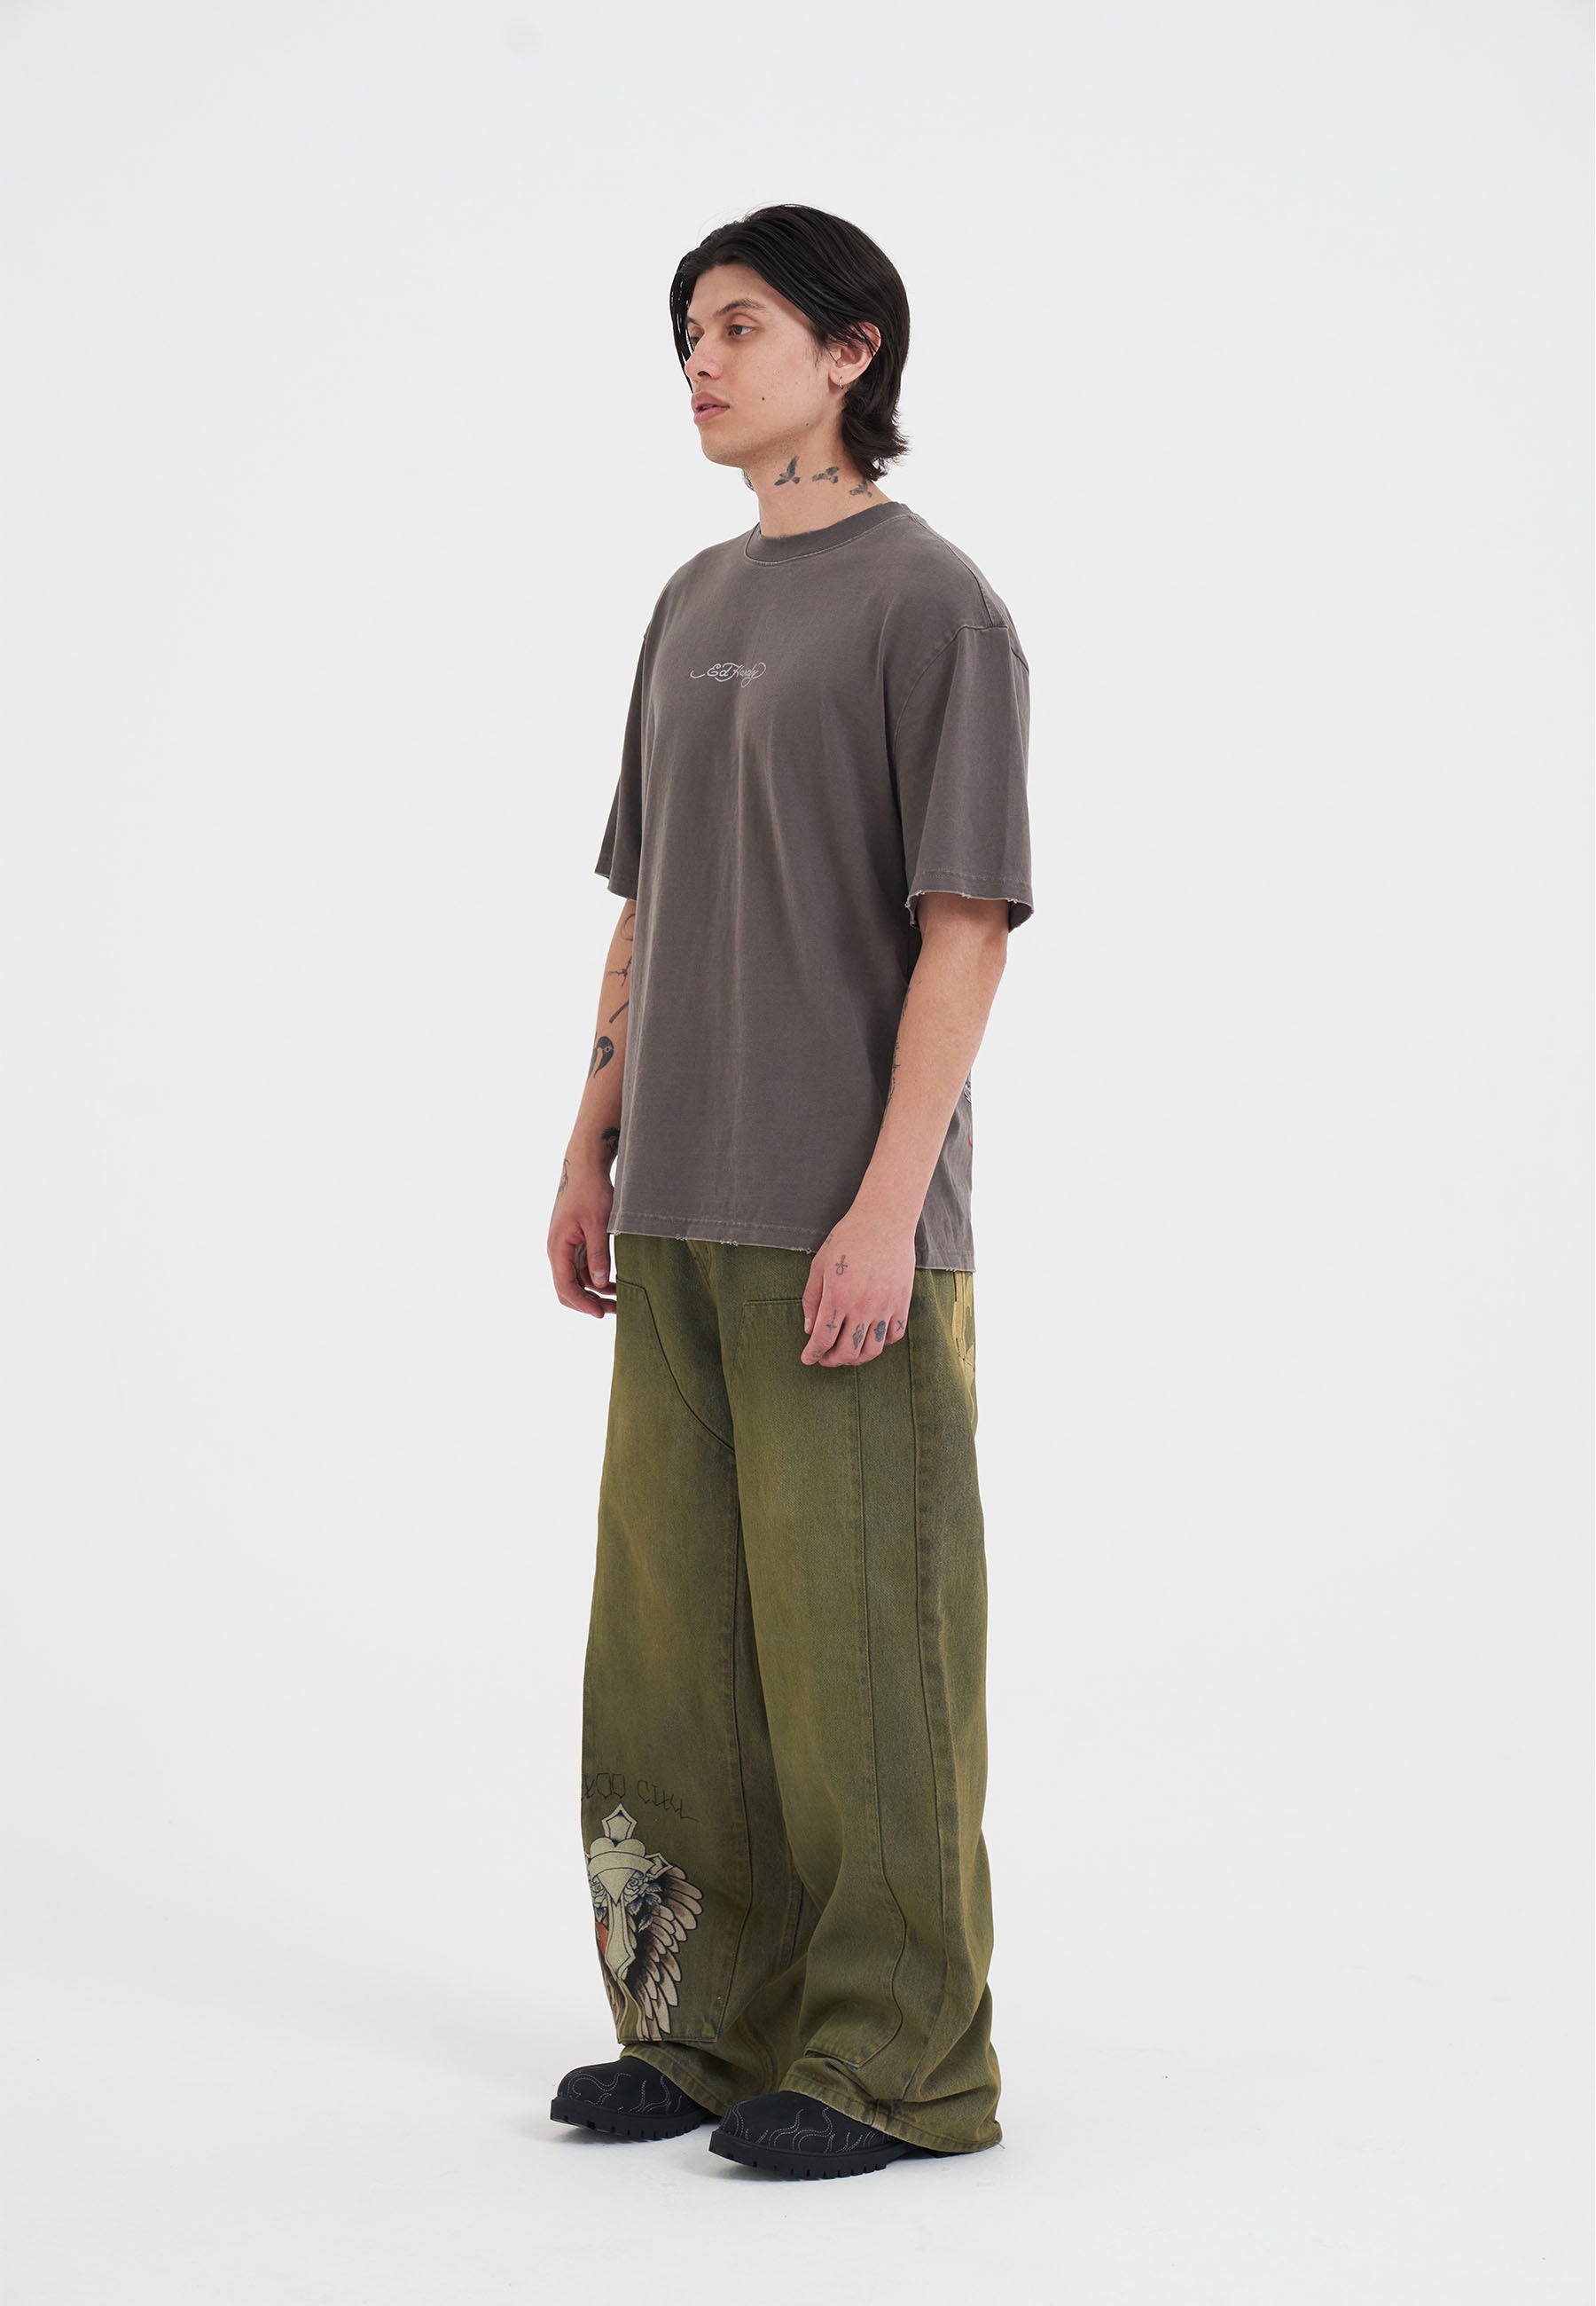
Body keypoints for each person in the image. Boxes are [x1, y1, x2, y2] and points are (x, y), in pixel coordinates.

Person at [545, 204, 1034, 2182]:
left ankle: (898, 2063)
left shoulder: (937, 606)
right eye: (687, 328)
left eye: (740, 324)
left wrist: (888, 1207)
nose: (700, 358)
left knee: (865, 1656)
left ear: (852, 351)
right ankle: (700, 2021)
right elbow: (647, 897)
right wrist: (589, 1136)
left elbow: (965, 923)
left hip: (845, 1214)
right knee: (676, 1647)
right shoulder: (690, 601)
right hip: (678, 1202)